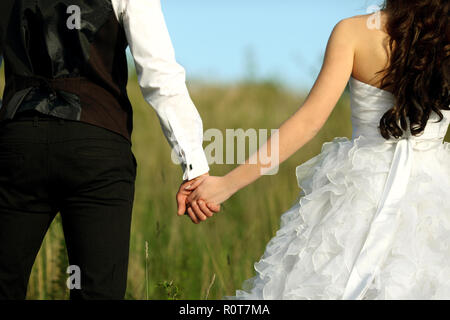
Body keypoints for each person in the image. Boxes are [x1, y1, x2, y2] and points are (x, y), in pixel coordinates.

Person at [184, 1, 450, 299]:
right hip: (436, 197)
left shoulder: (353, 32)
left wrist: (224, 185)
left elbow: (308, 122)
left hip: (357, 193)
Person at [0, 0, 216, 300]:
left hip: (17, 145)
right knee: (97, 291)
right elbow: (159, 75)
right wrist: (193, 165)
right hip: (96, 145)